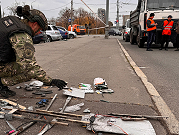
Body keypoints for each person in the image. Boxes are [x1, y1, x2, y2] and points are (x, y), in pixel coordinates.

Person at [0, 5, 67, 98]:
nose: (38, 33)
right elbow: (29, 66)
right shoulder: (21, 34)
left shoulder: (12, 21)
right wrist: (50, 81)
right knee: (28, 72)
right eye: (39, 29)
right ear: (34, 24)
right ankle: (1, 84)